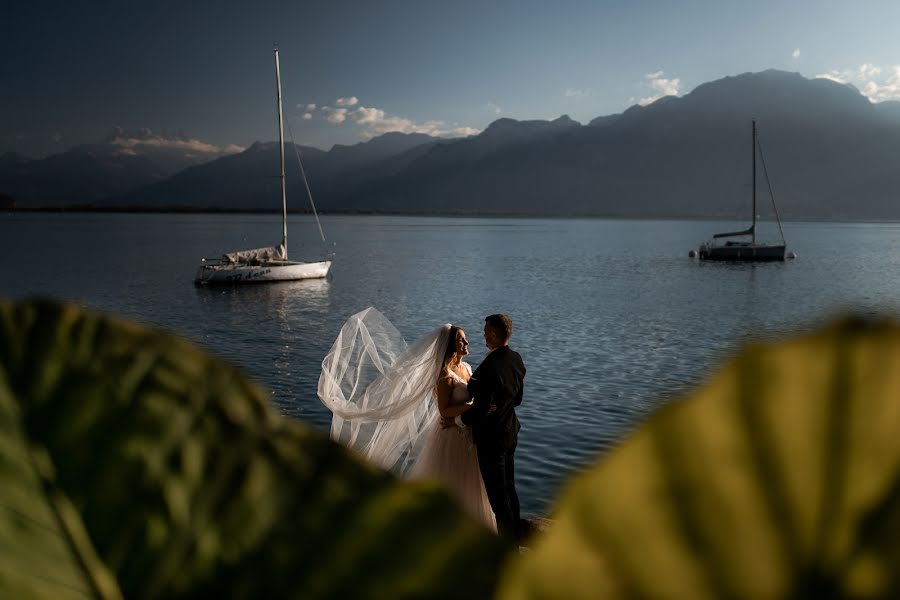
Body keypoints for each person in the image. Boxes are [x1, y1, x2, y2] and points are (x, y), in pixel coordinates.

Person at [317, 307, 496, 531]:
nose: (467, 343)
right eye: (461, 340)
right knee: (450, 482)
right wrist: (473, 407)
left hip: (468, 434)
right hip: (450, 434)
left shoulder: (467, 368)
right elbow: (444, 410)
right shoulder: (444, 376)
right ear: (450, 345)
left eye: (466, 339)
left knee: (471, 485)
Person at [446, 314, 526, 543]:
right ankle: (515, 543)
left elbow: (480, 410)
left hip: (491, 439)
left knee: (498, 499)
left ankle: (505, 553)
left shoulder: (488, 367)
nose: (483, 336)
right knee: (510, 491)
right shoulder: (517, 360)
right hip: (510, 433)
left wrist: (457, 422)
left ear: (492, 334)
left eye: (485, 332)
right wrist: (498, 405)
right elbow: (517, 399)